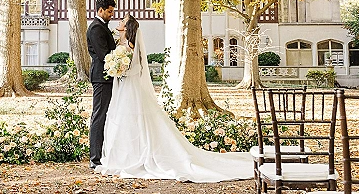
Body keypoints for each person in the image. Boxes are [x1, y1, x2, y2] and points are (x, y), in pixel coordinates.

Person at [98, 15, 252, 182]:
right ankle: (124, 157)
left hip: (130, 90)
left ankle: (134, 157)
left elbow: (137, 68)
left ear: (127, 27)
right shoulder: (119, 44)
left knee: (133, 120)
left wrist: (121, 70)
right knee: (123, 120)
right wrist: (116, 69)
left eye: (123, 21)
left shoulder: (130, 46)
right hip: (122, 89)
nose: (119, 22)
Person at [86, 0, 116, 170]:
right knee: (99, 115)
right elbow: (104, 55)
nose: (112, 14)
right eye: (109, 12)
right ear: (100, 10)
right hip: (101, 78)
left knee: (105, 115)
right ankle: (95, 157)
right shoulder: (96, 28)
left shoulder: (102, 26)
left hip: (107, 77)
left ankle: (102, 154)